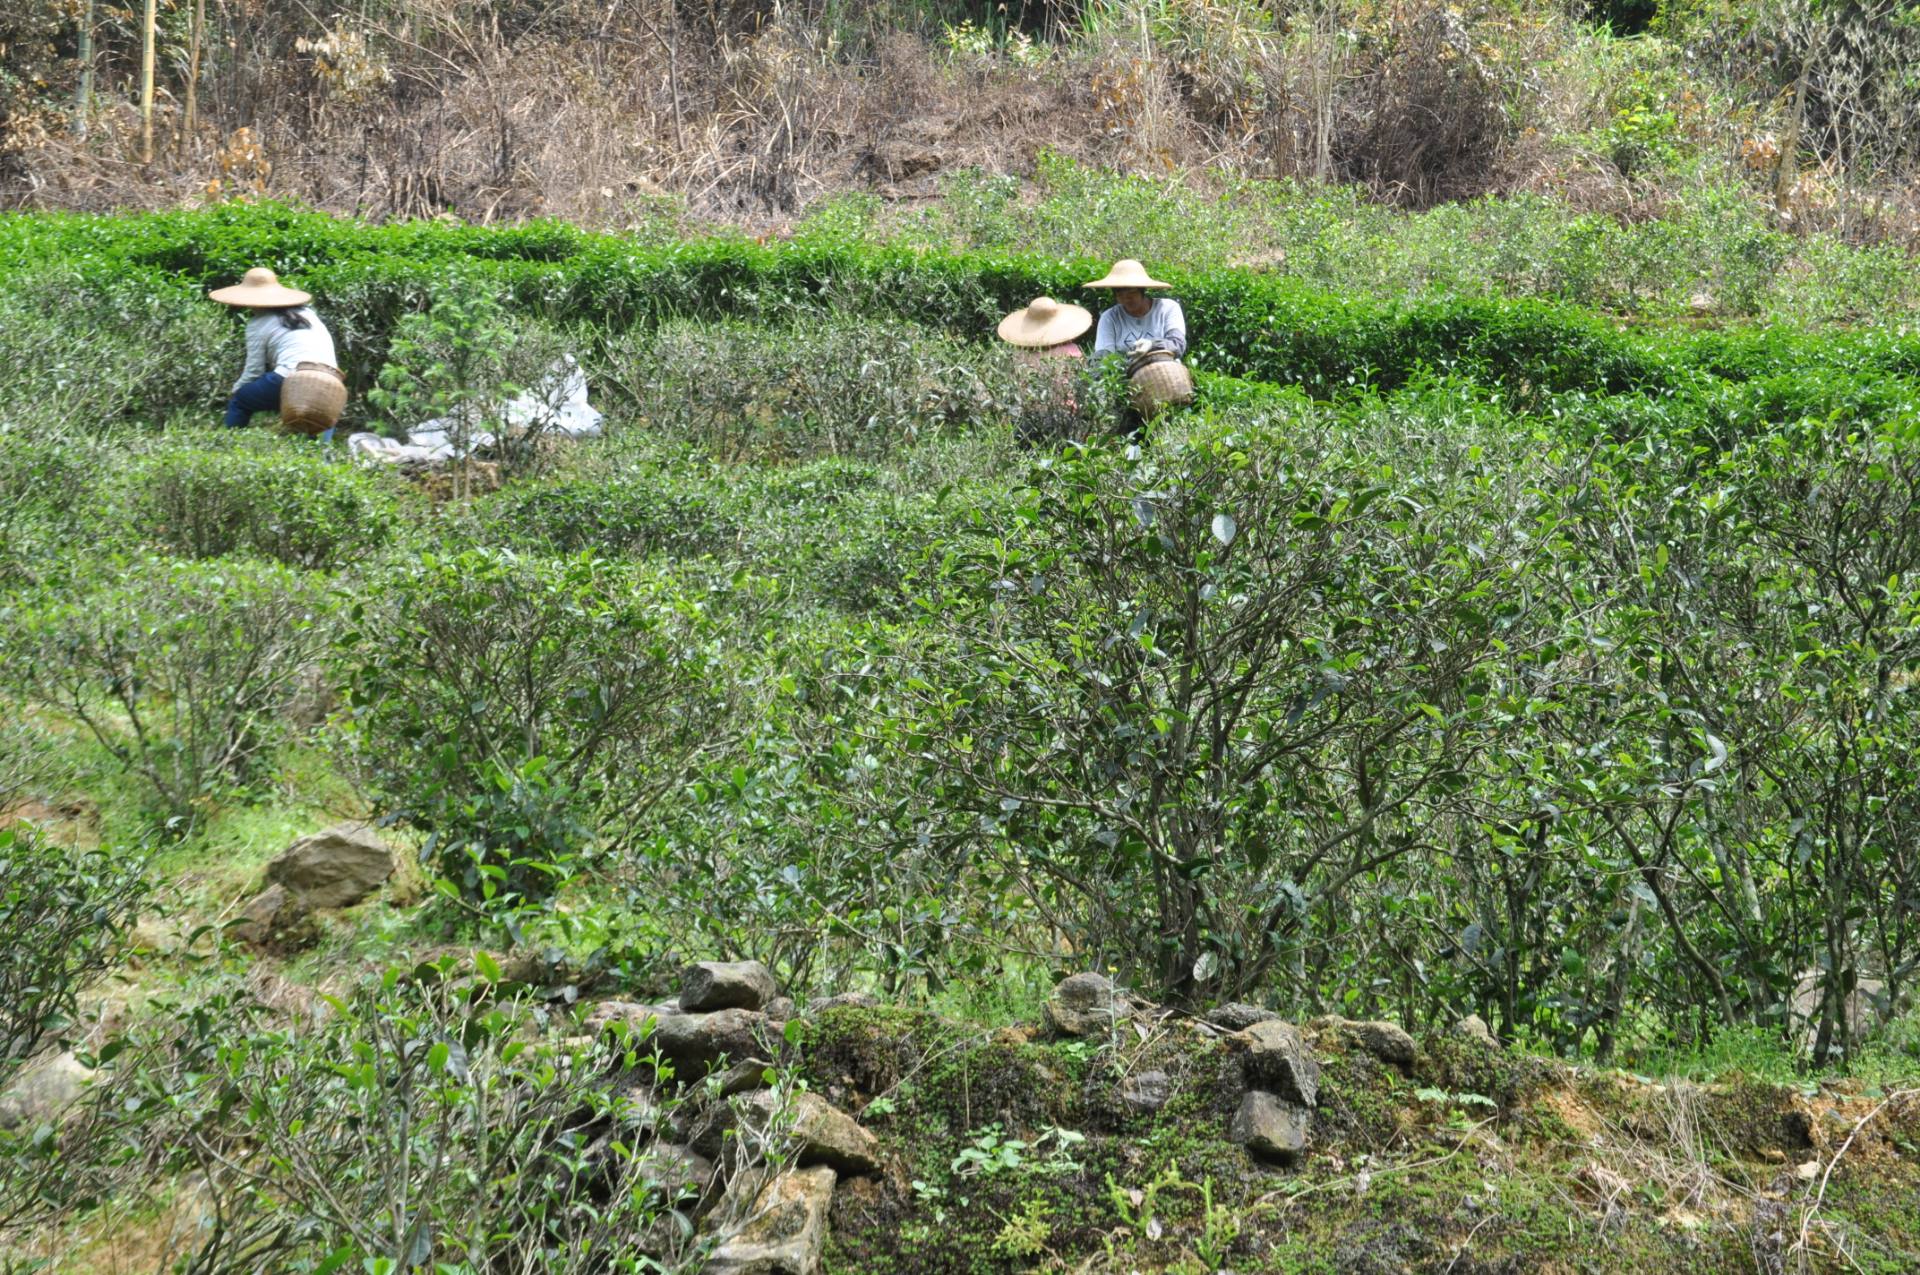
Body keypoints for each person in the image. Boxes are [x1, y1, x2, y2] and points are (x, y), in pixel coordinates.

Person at [208, 267, 339, 429]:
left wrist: (236, 390)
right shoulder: (307, 313)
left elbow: (254, 371)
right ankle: (321, 444)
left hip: (291, 375)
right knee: (322, 414)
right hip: (330, 379)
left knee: (240, 400)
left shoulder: (257, 324)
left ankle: (230, 437)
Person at [1085, 259, 1186, 362]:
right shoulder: (1109, 317)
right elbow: (1104, 355)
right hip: (1126, 371)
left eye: (1131, 293)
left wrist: (1152, 345)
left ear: (1142, 291)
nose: (1126, 299)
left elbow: (1177, 344)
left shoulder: (1167, 308)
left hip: (1165, 368)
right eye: (1120, 295)